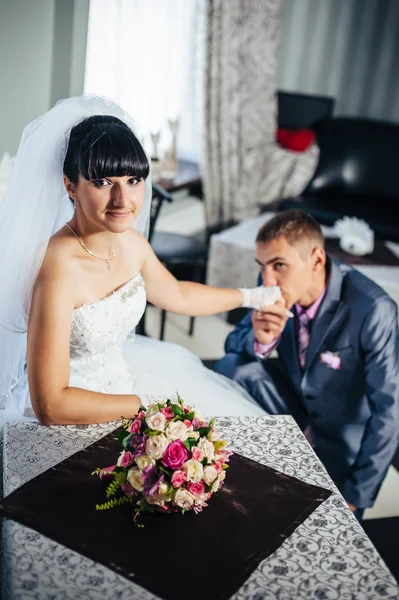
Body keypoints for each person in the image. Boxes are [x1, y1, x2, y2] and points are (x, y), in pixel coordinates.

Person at [0, 95, 283, 429]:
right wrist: (146, 406)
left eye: (133, 180)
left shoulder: (130, 243)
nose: (124, 200)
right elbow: (51, 404)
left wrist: (254, 297)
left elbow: (178, 295)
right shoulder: (57, 271)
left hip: (125, 383)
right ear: (70, 186)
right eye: (104, 182)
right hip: (73, 415)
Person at [214, 210, 399, 516]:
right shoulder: (273, 285)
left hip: (342, 441)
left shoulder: (373, 309)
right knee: (234, 366)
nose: (267, 280)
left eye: (279, 266)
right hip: (294, 409)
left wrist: (355, 495)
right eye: (262, 266)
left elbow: (389, 409)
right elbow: (233, 344)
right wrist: (261, 338)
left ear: (316, 260)